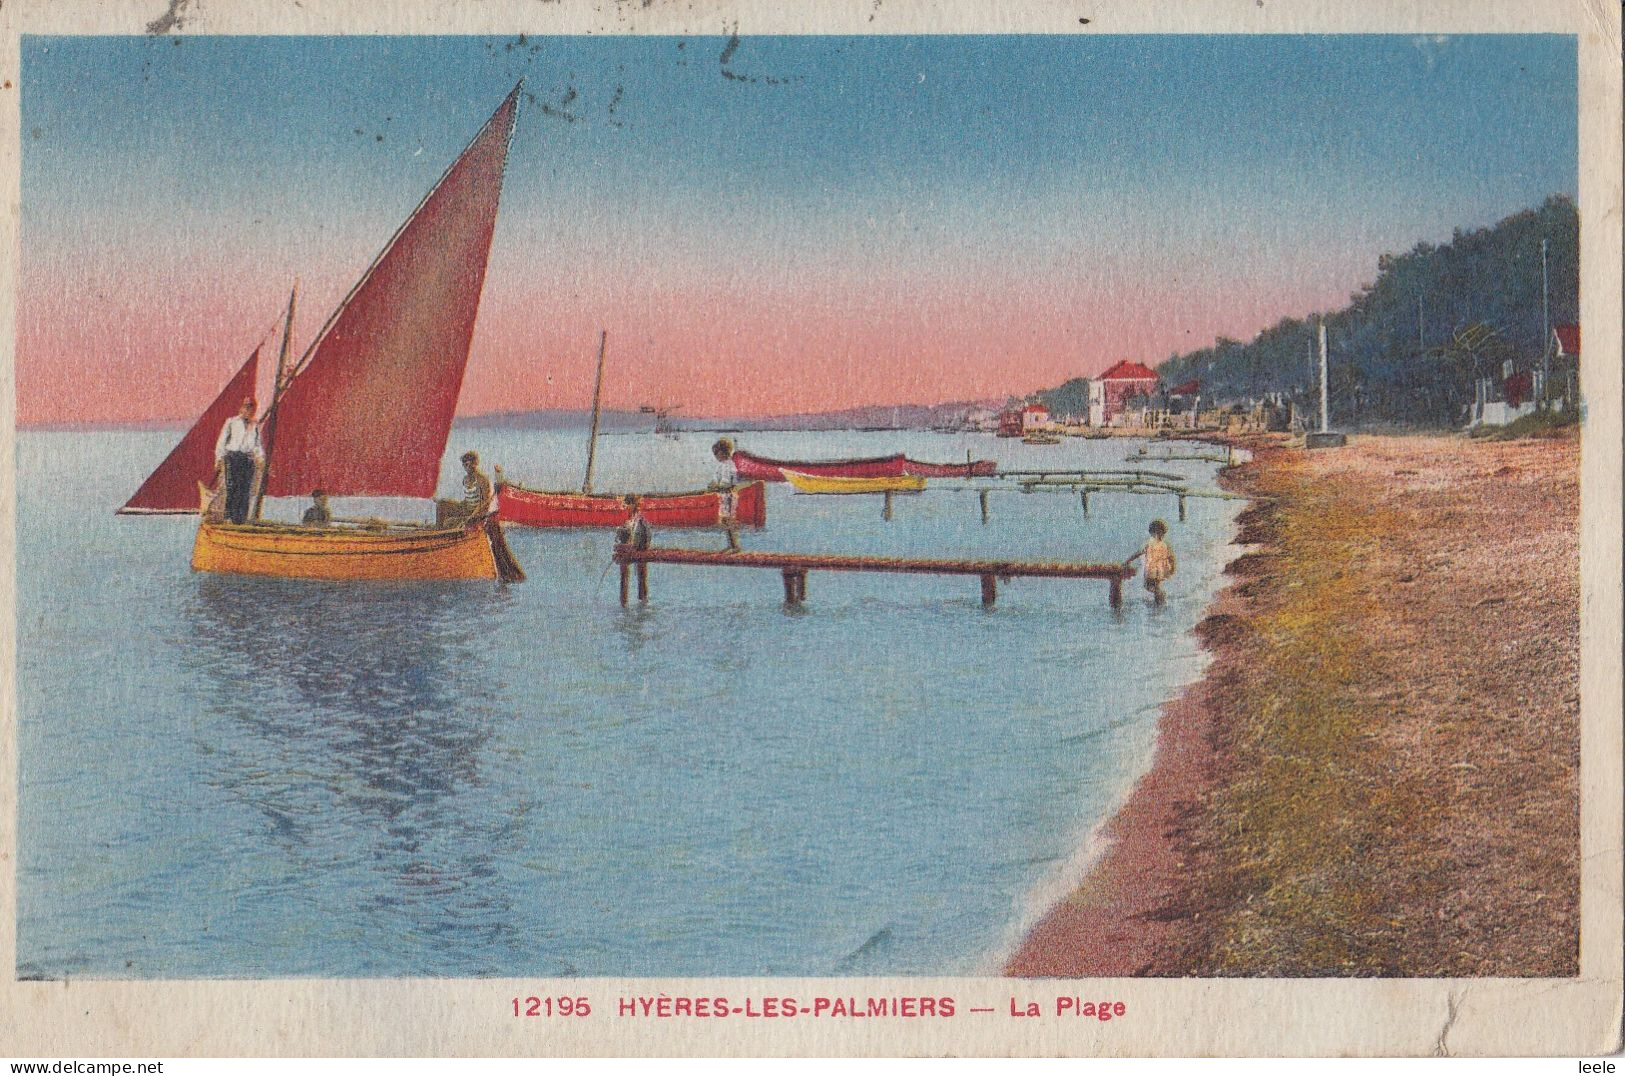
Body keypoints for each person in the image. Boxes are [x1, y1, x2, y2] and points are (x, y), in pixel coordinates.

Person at [214, 396, 263, 525]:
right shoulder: (231, 422)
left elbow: (257, 445)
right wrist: (218, 459)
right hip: (233, 458)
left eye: (252, 408)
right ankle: (229, 518)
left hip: (248, 460)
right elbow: (221, 442)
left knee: (245, 490)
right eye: (247, 407)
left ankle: (241, 520)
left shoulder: (255, 425)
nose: (249, 410)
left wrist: (261, 460)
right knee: (232, 488)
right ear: (241, 408)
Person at [1124, 519, 1176, 604]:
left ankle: (1159, 596)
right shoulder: (1165, 544)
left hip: (1151, 569)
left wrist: (1127, 561)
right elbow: (1172, 558)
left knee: (1148, 586)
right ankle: (1159, 601)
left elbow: (1139, 553)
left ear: (1152, 532)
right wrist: (1173, 568)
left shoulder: (1149, 543)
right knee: (1157, 586)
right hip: (1162, 570)